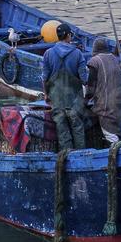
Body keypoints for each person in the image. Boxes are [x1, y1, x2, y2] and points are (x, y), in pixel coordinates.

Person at [41, 23, 89, 152]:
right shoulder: (78, 54)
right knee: (78, 129)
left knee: (62, 131)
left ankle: (66, 157)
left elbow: (44, 78)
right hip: (74, 100)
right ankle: (81, 157)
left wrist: (46, 94)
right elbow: (84, 79)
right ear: (68, 36)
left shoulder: (48, 54)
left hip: (56, 99)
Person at [85, 37, 121, 144]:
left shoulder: (95, 61)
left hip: (106, 107)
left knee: (110, 134)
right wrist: (117, 48)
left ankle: (114, 149)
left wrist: (85, 100)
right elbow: (115, 56)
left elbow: (90, 88)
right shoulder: (114, 59)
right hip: (119, 104)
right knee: (117, 128)